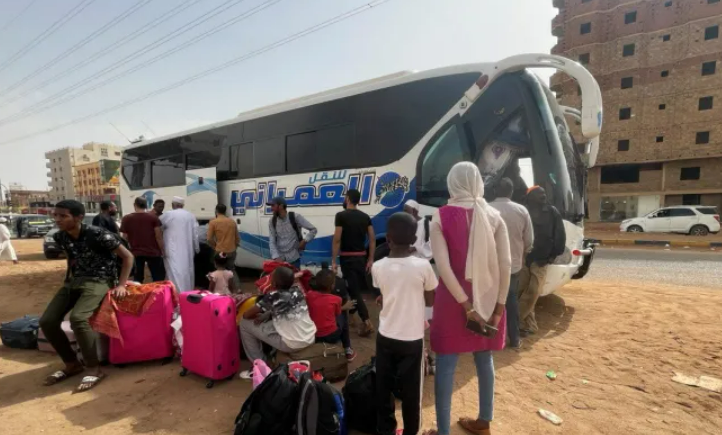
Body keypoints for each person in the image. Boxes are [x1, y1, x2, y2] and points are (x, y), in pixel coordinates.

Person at [425, 162, 511, 435]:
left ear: (452, 183)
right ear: (478, 182)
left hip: (453, 303)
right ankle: (484, 421)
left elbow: (443, 267)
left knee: (446, 365)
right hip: (488, 299)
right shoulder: (495, 216)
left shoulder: (441, 216)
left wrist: (466, 306)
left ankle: (443, 432)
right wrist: (499, 307)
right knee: (484, 359)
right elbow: (506, 265)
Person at [39, 200, 134, 392]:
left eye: (63, 216)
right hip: (75, 281)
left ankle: (93, 368)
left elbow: (128, 256)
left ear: (78, 217)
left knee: (78, 318)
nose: (57, 219)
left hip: (100, 280)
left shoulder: (98, 234)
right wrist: (70, 278)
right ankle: (72, 364)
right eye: (55, 215)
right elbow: (72, 257)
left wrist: (121, 285)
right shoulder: (60, 236)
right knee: (47, 321)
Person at [372, 212, 438, 435]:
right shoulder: (423, 266)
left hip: (385, 336)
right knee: (412, 392)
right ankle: (411, 431)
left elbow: (386, 293)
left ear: (388, 238)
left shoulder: (378, 266)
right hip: (412, 339)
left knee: (384, 387)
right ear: (414, 239)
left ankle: (386, 429)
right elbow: (430, 300)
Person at [239, 267, 316, 371]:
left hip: (292, 344)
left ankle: (259, 366)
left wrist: (258, 314)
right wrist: (265, 315)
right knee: (273, 320)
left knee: (244, 324)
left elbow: (246, 315)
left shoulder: (273, 296)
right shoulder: (298, 291)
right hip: (310, 337)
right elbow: (282, 305)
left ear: (274, 283)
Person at [490, 178, 534, 349]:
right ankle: (514, 339)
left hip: (489, 265)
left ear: (495, 191)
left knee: (489, 299)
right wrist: (522, 254)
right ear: (512, 192)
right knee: (511, 301)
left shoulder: (485, 209)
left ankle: (488, 337)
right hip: (513, 266)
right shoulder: (522, 210)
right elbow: (529, 240)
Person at [517, 186, 566, 336]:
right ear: (530, 196)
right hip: (525, 258)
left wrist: (551, 257)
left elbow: (560, 235)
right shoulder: (523, 211)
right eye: (540, 193)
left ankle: (513, 320)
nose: (543, 195)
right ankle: (529, 325)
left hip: (541, 260)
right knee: (522, 292)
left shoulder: (552, 212)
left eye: (544, 193)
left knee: (533, 292)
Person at [331, 189, 376, 337]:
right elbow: (372, 239)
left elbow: (337, 239)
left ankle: (367, 321)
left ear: (348, 199)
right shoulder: (365, 217)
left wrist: (334, 260)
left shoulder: (341, 216)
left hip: (347, 259)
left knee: (354, 291)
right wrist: (370, 259)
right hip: (361, 258)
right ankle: (351, 316)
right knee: (354, 288)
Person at [306, 267, 357, 361]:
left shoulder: (309, 295)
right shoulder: (337, 299)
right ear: (333, 285)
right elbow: (337, 313)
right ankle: (347, 349)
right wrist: (345, 307)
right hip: (331, 336)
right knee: (343, 314)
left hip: (314, 335)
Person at [119, 196, 165, 283]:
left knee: (137, 279)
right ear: (146, 205)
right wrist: (162, 250)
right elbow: (158, 236)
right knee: (158, 278)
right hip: (153, 252)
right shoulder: (153, 218)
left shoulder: (126, 218)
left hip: (135, 253)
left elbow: (124, 238)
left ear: (134, 205)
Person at [160, 196, 200, 293]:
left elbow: (158, 226)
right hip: (187, 250)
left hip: (172, 249)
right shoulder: (190, 216)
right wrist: (196, 248)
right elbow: (195, 234)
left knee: (173, 271)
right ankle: (186, 293)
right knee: (187, 271)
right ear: (182, 205)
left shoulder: (168, 215)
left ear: (173, 205)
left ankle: (175, 293)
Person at [267, 197, 317, 268]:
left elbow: (313, 230)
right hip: (280, 260)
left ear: (281, 206)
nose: (271, 209)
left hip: (294, 259)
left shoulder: (295, 217)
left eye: (273, 206)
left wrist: (304, 241)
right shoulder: (272, 221)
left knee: (295, 275)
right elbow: (272, 241)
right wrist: (275, 257)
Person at [207, 204, 240, 285]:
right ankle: (238, 289)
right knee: (232, 269)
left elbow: (209, 239)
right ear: (225, 211)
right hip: (232, 250)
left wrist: (215, 246)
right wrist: (234, 247)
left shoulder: (213, 222)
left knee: (219, 271)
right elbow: (237, 238)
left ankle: (221, 288)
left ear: (216, 211)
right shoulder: (232, 222)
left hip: (220, 251)